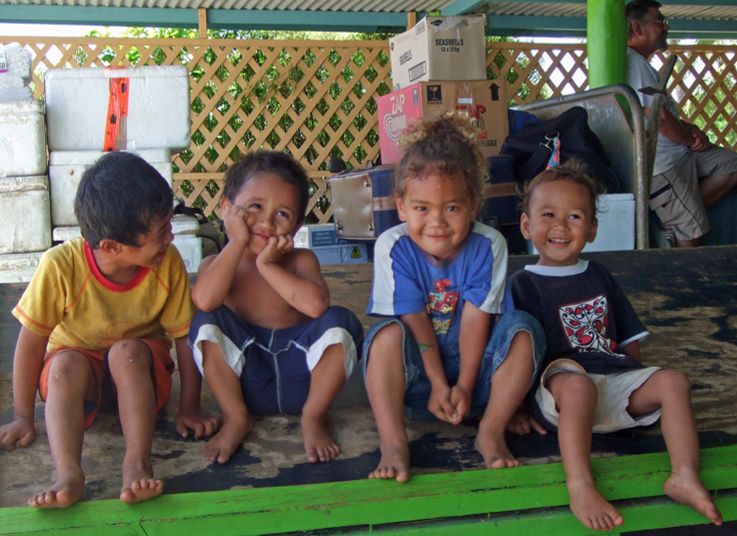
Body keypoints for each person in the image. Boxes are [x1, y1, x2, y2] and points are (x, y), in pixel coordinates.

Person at [509, 161, 723, 531]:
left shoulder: (600, 275)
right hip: (562, 390)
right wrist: (515, 408)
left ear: (592, 229)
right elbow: (514, 355)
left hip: (611, 386)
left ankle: (684, 475)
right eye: (548, 214)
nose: (561, 226)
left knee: (674, 381)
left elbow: (627, 341)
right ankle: (580, 485)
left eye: (575, 216)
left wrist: (640, 381)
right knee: (578, 385)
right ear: (527, 225)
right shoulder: (522, 284)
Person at [0, 152, 219, 508]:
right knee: (63, 365)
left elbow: (184, 337)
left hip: (140, 374)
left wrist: (189, 406)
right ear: (113, 247)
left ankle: (137, 463)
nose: (171, 238)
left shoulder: (168, 264)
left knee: (127, 352)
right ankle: (69, 474)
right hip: (79, 379)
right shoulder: (60, 266)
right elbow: (31, 343)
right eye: (161, 230)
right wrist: (23, 417)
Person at [362, 114, 545, 483]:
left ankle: (491, 431)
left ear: (473, 204)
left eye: (451, 207)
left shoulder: (488, 244)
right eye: (421, 208)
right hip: (418, 385)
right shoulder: (392, 246)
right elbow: (414, 319)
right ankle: (394, 443)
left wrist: (463, 385)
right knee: (384, 335)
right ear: (401, 205)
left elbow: (477, 320)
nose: (437, 222)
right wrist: (439, 384)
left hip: (476, 383)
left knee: (524, 328)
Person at [189, 150, 363, 465]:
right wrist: (237, 243)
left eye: (282, 214)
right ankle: (236, 418)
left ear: (296, 227)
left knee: (342, 321)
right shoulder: (216, 264)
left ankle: (312, 417)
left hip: (301, 378)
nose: (267, 222)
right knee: (205, 320)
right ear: (227, 208)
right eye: (255, 207)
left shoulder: (299, 260)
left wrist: (267, 265)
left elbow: (316, 306)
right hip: (247, 379)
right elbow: (205, 301)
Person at [626, 0, 737, 247]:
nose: (666, 27)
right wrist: (689, 139)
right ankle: (681, 274)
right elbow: (659, 118)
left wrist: (690, 129)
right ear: (637, 27)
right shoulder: (632, 62)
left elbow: (665, 114)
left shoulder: (643, 64)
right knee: (692, 236)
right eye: (659, 21)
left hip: (681, 153)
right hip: (663, 164)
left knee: (731, 166)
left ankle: (676, 217)